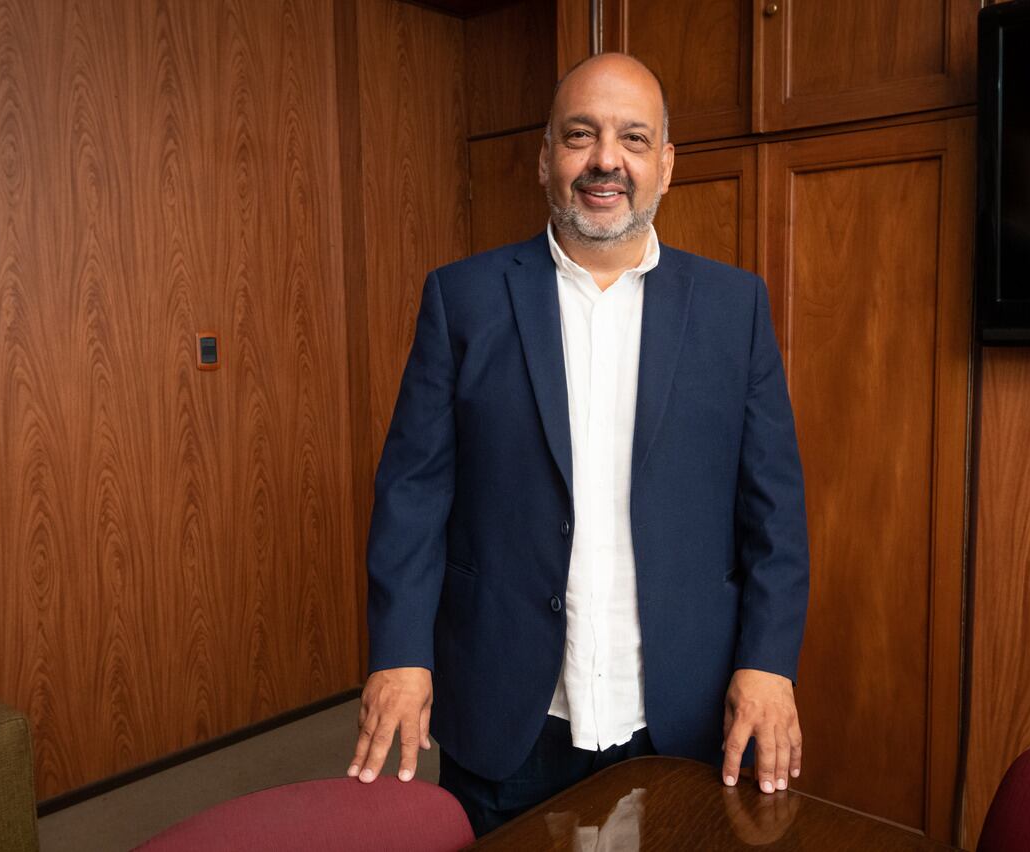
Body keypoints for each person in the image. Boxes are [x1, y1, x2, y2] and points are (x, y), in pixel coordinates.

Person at [347, 51, 810, 837]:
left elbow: (775, 513)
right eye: (580, 135)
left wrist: (768, 664)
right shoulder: (461, 301)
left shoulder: (735, 309)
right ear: (544, 159)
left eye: (633, 138)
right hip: (507, 715)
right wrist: (400, 652)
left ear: (666, 163)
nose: (606, 160)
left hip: (679, 715)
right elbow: (412, 495)